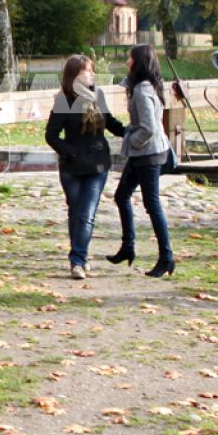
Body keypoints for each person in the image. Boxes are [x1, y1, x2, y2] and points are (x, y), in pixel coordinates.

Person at [44, 54, 124, 279]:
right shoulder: (64, 100)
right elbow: (51, 135)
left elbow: (111, 123)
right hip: (72, 167)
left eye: (92, 70)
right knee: (76, 212)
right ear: (74, 75)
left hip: (97, 165)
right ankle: (79, 254)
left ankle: (78, 260)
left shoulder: (98, 96)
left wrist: (132, 132)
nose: (92, 74)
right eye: (86, 71)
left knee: (87, 213)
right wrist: (70, 152)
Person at [108, 44, 176, 277]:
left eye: (130, 59)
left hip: (148, 154)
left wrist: (130, 140)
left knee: (152, 205)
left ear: (139, 62)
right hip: (143, 153)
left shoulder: (143, 91)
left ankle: (166, 257)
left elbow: (147, 128)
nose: (127, 62)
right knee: (121, 195)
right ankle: (128, 247)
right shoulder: (144, 87)